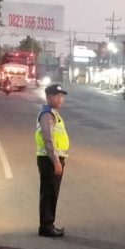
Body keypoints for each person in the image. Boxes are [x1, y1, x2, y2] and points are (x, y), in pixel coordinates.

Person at [36, 83, 70, 237]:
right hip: (49, 160)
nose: (60, 99)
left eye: (62, 96)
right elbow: (48, 139)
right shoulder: (47, 114)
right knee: (49, 193)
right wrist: (56, 161)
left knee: (51, 192)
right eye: (57, 96)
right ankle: (46, 227)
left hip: (51, 159)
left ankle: (48, 224)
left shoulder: (53, 113)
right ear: (49, 97)